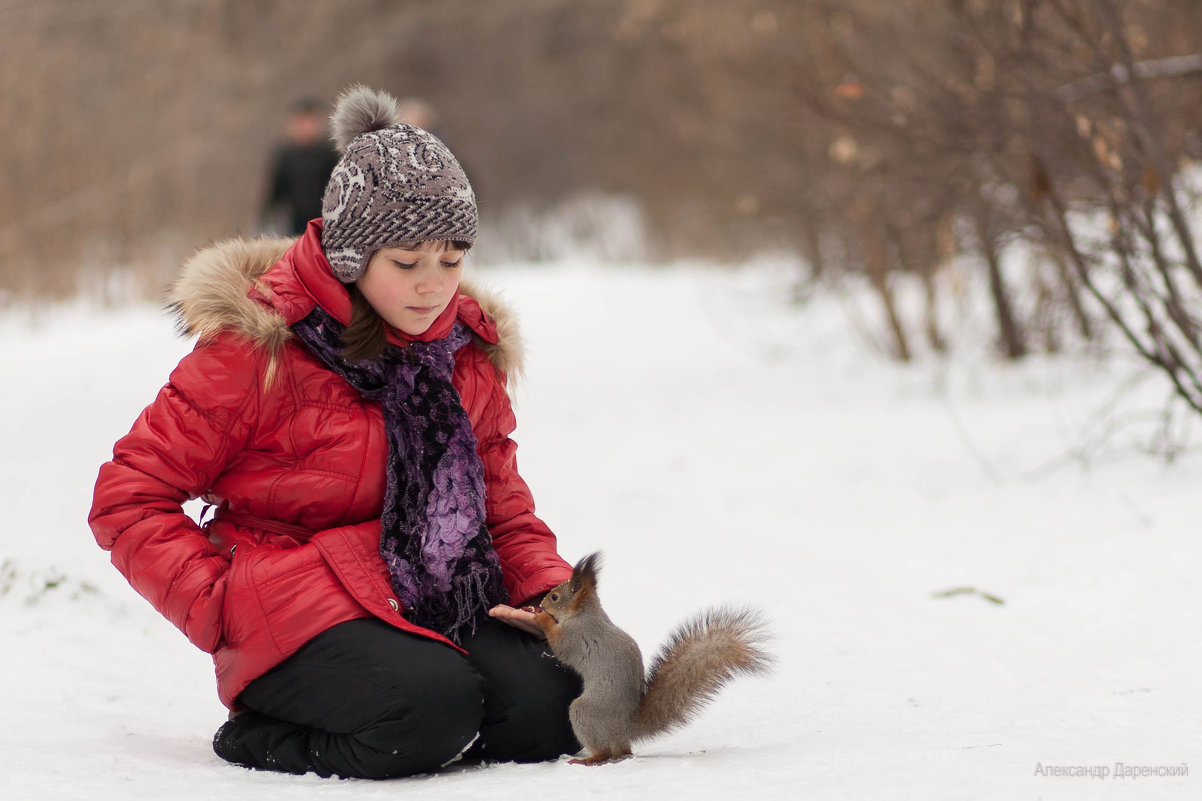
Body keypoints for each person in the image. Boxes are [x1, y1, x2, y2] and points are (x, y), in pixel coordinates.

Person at [89, 85, 582, 779]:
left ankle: (445, 695)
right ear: (352, 257)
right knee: (428, 713)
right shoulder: (257, 352)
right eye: (407, 263)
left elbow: (502, 500)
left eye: (453, 258)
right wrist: (220, 605)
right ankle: (265, 734)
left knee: (558, 702)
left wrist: (558, 603)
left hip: (431, 589)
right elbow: (127, 496)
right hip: (295, 609)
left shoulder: (464, 354)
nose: (434, 286)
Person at [262, 97, 340, 236]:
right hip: (293, 222)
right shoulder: (286, 155)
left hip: (324, 220)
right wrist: (266, 218)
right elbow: (276, 191)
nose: (306, 127)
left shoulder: (329, 154)